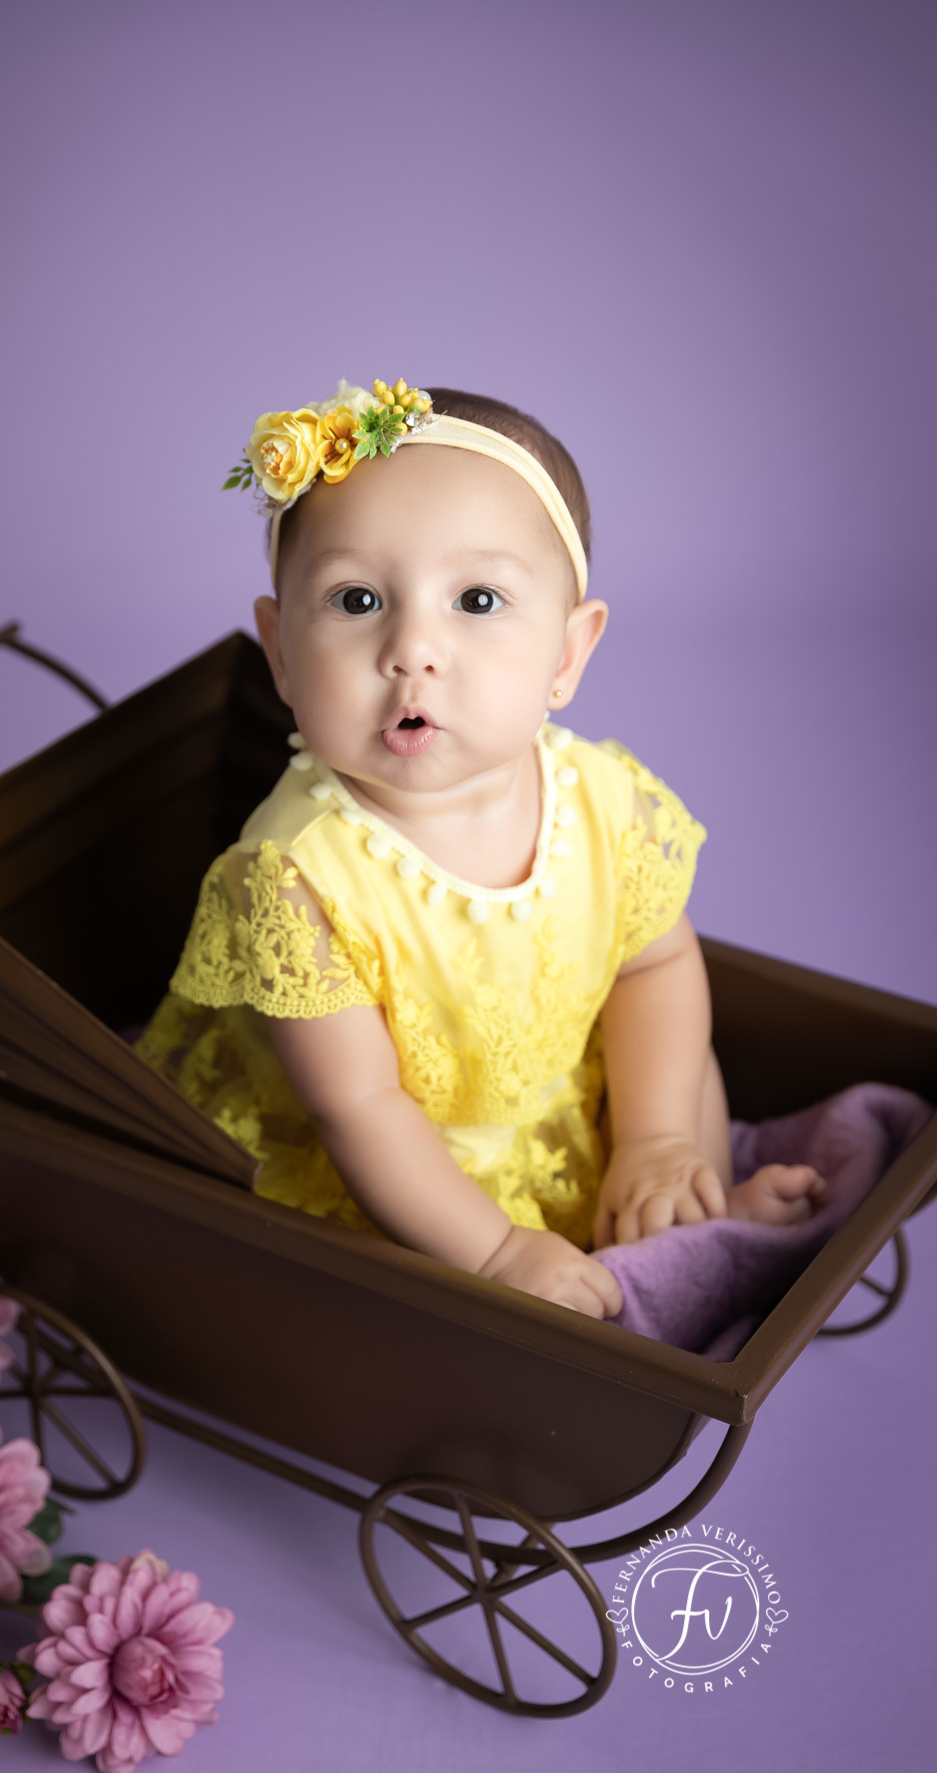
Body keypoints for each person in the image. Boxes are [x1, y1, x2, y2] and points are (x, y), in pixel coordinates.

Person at [136, 379, 826, 1318]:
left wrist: (658, 1139)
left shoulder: (602, 799)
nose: (413, 648)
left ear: (567, 655)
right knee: (378, 1273)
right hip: (398, 1158)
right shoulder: (295, 876)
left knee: (673, 1066)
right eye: (356, 598)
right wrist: (499, 1253)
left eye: (477, 598)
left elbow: (655, 966)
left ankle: (686, 1216)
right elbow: (358, 1107)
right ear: (281, 652)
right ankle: (618, 1267)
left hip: (549, 1090)